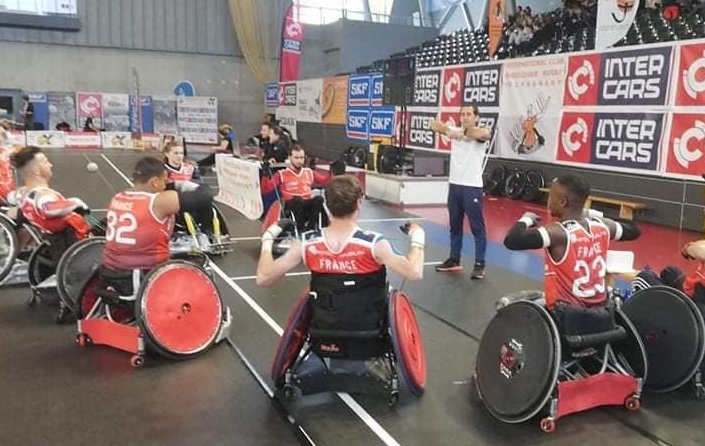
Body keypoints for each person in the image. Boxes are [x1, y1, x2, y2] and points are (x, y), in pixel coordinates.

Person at [256, 176, 425, 297]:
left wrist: (268, 239)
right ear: (358, 205)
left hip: (324, 333)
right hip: (369, 332)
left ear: (327, 207)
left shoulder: (305, 243)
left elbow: (263, 278)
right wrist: (418, 236)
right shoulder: (375, 244)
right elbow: (414, 272)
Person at [503, 175, 640, 310]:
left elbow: (512, 240)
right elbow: (634, 230)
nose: (548, 201)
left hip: (565, 313)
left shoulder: (558, 233)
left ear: (563, 202)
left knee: (510, 308)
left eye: (551, 196)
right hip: (600, 310)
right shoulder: (603, 226)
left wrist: (526, 219)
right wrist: (593, 214)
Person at [100, 157, 214, 272]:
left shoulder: (118, 198)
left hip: (110, 269)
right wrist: (180, 184)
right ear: (154, 182)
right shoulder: (158, 201)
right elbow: (205, 195)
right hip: (147, 272)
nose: (165, 186)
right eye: (164, 181)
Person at [430, 104, 491, 280]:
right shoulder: (454, 130)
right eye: (462, 114)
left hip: (472, 187)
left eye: (469, 114)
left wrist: (462, 133)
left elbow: (483, 134)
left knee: (477, 228)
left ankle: (480, 264)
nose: (465, 117)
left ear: (476, 117)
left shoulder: (479, 133)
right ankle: (454, 259)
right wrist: (449, 130)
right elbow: (434, 125)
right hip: (454, 185)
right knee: (455, 226)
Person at [10, 146, 93, 250]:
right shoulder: (43, 196)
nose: (50, 164)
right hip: (78, 245)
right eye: (46, 162)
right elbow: (47, 208)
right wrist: (75, 202)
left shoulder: (22, 194)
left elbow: (11, 205)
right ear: (36, 170)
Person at [270, 144, 326, 232]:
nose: (299, 161)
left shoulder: (309, 172)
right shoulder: (281, 173)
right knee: (298, 200)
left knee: (319, 199)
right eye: (296, 158)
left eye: (301, 158)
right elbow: (267, 188)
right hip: (291, 204)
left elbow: (325, 181)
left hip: (307, 203)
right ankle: (301, 229)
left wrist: (334, 172)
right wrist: (266, 175)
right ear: (290, 157)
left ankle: (311, 228)